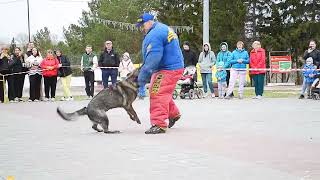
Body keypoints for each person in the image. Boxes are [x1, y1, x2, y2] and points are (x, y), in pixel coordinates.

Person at [136, 12, 184, 134]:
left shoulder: (154, 34)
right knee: (162, 91)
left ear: (149, 22)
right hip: (171, 66)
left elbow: (153, 58)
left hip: (168, 68)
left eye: (142, 25)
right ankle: (173, 114)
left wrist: (141, 80)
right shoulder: (163, 28)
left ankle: (159, 124)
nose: (141, 28)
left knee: (157, 92)